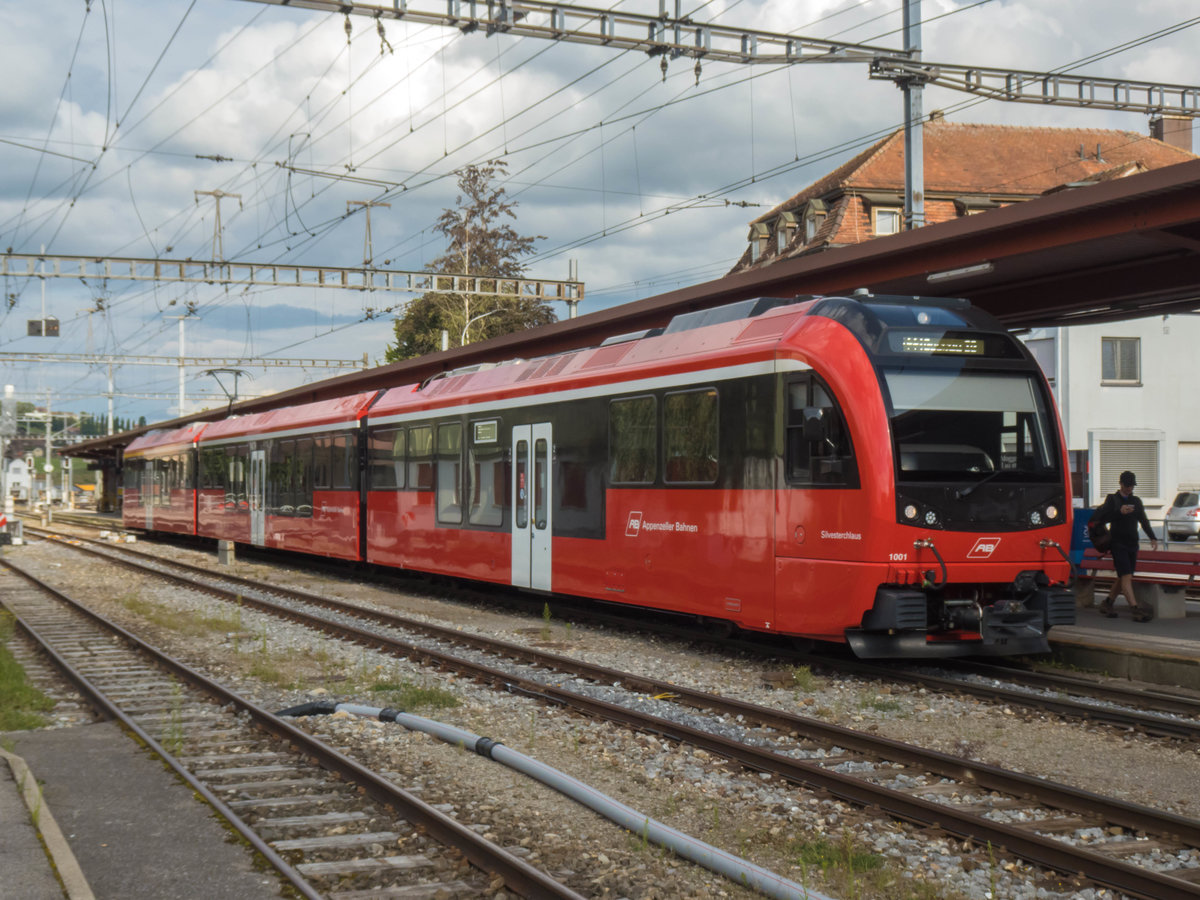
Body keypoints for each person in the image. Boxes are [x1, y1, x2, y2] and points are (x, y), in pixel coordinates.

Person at [1089, 470, 1158, 622]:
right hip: (1117, 543)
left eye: (1132, 486)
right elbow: (1102, 519)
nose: (1129, 488)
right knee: (1126, 575)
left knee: (1124, 576)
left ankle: (1107, 603)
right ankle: (1135, 609)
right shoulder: (1112, 500)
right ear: (1120, 484)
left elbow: (1143, 520)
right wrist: (1119, 512)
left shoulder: (1136, 501)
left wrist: (1153, 537)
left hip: (1132, 543)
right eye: (1127, 485)